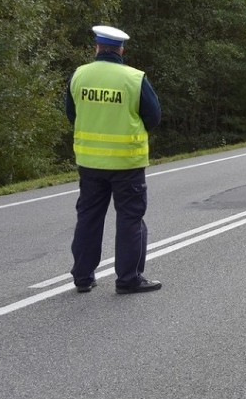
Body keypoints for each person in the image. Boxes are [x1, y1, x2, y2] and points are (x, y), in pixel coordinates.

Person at [65, 25, 163, 294]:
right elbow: (153, 117)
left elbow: (72, 113)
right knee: (130, 218)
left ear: (96, 47)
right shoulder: (133, 78)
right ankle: (128, 279)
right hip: (126, 163)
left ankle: (83, 277)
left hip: (89, 162)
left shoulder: (80, 75)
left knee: (88, 217)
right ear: (121, 49)